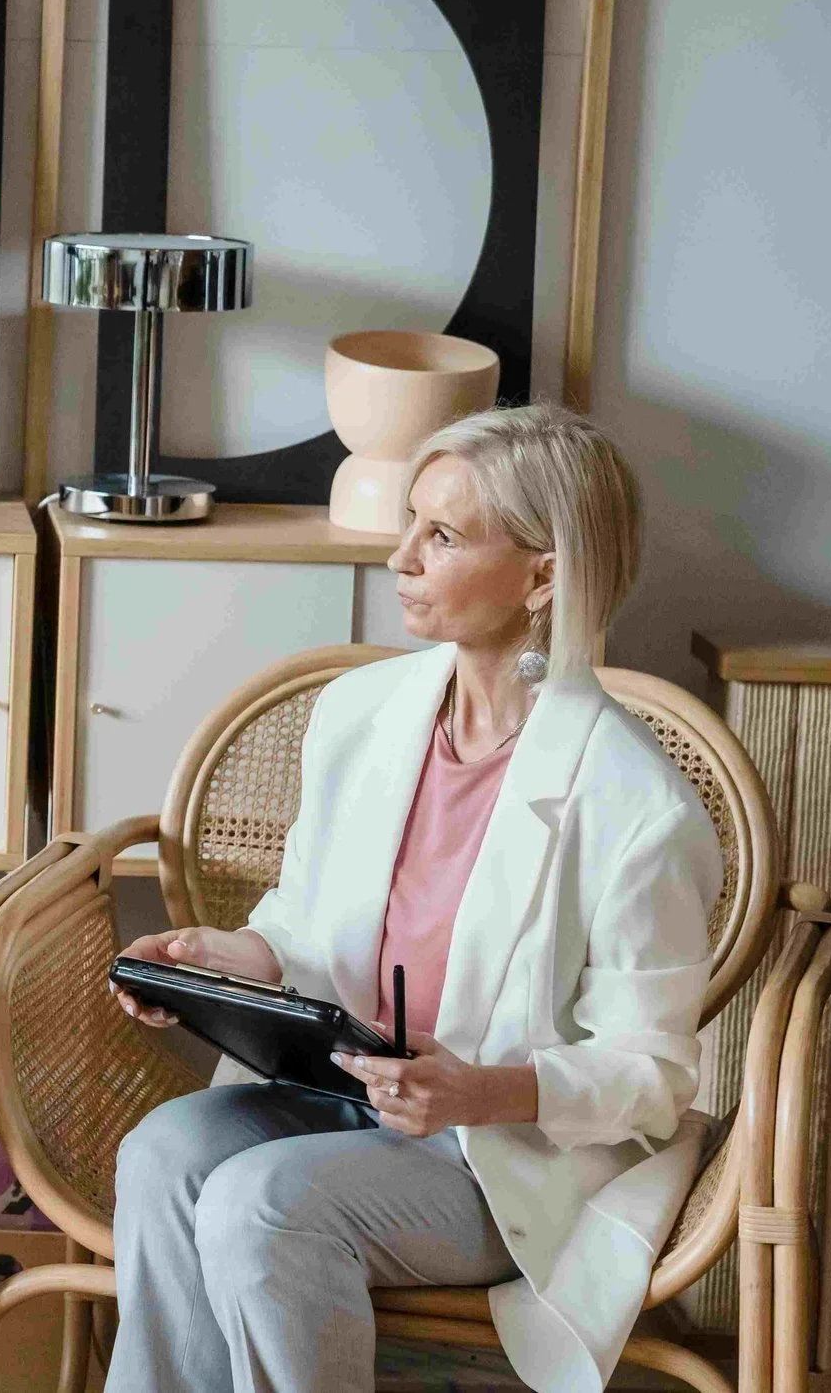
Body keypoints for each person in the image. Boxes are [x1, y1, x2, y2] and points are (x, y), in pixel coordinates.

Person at [106, 404, 721, 1393]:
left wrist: (479, 1088)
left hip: (499, 1155)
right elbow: (299, 927)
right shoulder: (361, 714)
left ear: (543, 574)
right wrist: (217, 961)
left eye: (440, 534)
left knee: (262, 1201)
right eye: (409, 524)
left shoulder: (637, 804)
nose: (400, 556)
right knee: (165, 1149)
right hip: (340, 1092)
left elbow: (650, 1076)